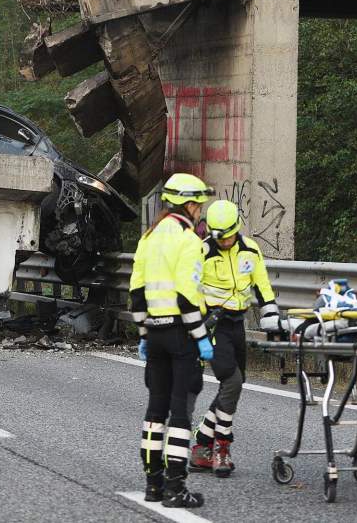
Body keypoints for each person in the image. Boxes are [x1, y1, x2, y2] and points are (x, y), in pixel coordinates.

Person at [129, 172, 214, 509]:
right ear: (188, 204)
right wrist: (202, 338)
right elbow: (187, 298)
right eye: (198, 203)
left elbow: (136, 294)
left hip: (156, 334)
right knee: (180, 413)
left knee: (155, 411)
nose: (199, 210)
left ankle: (154, 486)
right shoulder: (188, 239)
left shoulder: (149, 237)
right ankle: (176, 490)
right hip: (181, 336)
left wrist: (145, 334)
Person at [189, 199, 282, 477]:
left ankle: (202, 446)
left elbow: (263, 286)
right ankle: (222, 447)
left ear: (237, 229)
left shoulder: (251, 250)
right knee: (232, 381)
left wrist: (271, 314)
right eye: (220, 237)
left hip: (236, 324)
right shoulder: (202, 252)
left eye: (229, 236)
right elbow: (190, 292)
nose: (225, 242)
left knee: (233, 387)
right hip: (212, 326)